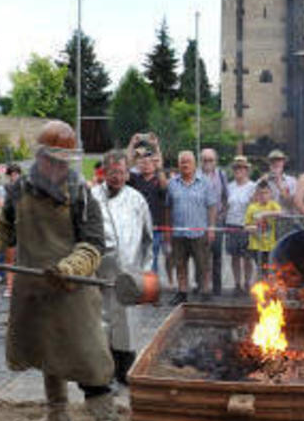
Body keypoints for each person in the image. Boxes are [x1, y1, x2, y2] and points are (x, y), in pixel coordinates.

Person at [0, 121, 118, 421]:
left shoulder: (80, 194)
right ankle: (57, 418)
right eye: (54, 159)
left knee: (91, 363)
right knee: (48, 354)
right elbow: (2, 228)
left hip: (71, 294)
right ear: (41, 157)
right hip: (34, 291)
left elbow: (93, 244)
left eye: (66, 161)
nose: (60, 167)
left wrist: (71, 266)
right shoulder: (20, 191)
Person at [91, 150, 153, 386]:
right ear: (104, 172)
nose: (117, 176)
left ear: (128, 174)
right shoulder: (92, 197)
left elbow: (148, 237)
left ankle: (125, 372)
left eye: (121, 172)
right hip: (99, 275)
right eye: (112, 172)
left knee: (127, 325)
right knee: (101, 324)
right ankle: (104, 374)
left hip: (130, 275)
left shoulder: (137, 199)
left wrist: (145, 271)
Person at [166, 151, 216, 305]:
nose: (185, 165)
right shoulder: (172, 183)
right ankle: (182, 292)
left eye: (188, 162)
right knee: (180, 264)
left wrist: (211, 228)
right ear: (178, 165)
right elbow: (168, 208)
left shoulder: (206, 182)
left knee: (203, 265)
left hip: (199, 232)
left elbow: (212, 206)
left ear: (195, 165)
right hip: (179, 232)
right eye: (182, 162)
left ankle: (205, 292)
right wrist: (168, 230)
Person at [127, 139, 170, 287]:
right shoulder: (135, 179)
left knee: (152, 260)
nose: (145, 164)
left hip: (155, 229)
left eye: (149, 162)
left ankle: (152, 291)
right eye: (142, 162)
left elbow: (165, 188)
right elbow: (126, 166)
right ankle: (139, 289)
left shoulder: (159, 180)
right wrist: (132, 145)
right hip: (136, 229)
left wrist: (156, 147)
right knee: (136, 259)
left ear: (154, 165)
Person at [224, 156, 256, 295]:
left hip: (246, 226)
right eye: (236, 168)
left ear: (246, 170)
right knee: (234, 256)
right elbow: (226, 205)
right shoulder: (229, 186)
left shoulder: (252, 186)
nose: (239, 170)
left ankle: (247, 282)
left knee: (247, 257)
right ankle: (237, 283)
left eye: (242, 168)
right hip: (232, 224)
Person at [199, 148, 229, 296]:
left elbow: (225, 197)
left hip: (217, 221)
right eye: (205, 160)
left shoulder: (222, 175)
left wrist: (223, 214)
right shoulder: (196, 175)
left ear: (215, 161)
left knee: (217, 255)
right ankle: (201, 286)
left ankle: (217, 288)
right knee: (200, 255)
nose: (207, 163)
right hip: (200, 222)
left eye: (210, 160)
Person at [244, 184, 281, 273]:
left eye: (266, 193)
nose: (264, 196)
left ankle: (269, 285)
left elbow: (281, 213)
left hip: (270, 245)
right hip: (256, 245)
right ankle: (261, 284)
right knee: (261, 270)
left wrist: (265, 213)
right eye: (261, 193)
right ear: (257, 194)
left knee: (270, 269)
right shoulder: (252, 207)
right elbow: (246, 226)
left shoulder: (272, 205)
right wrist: (252, 228)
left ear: (270, 194)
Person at [1, 164, 23, 297]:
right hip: (10, 225)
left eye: (16, 173)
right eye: (12, 174)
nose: (14, 176)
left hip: (24, 226)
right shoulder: (4, 189)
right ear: (8, 176)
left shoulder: (26, 188)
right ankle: (9, 287)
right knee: (10, 258)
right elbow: (2, 206)